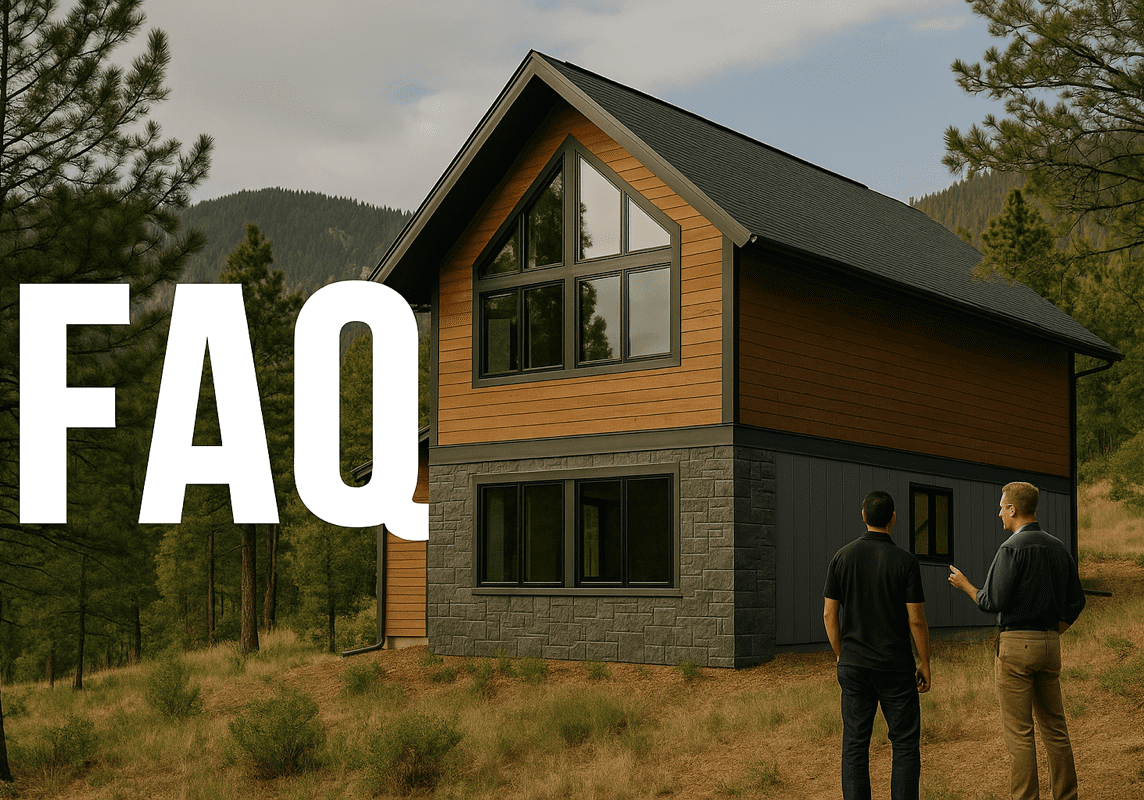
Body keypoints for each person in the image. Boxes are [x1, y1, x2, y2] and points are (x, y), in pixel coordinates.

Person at [948, 481, 1085, 800]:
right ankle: (1067, 796)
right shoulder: (1057, 546)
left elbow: (991, 601)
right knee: (1056, 729)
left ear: (1013, 509)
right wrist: (1053, 632)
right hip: (1050, 645)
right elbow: (1076, 601)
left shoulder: (1011, 549)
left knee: (1020, 734)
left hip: (1016, 648)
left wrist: (967, 586)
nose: (998, 512)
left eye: (1001, 506)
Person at [824, 490, 931, 800]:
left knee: (855, 743)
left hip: (854, 665)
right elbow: (916, 620)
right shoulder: (905, 561)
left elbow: (829, 614)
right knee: (905, 744)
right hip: (896, 667)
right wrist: (924, 662)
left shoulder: (842, 557)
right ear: (893, 518)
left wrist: (842, 655)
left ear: (863, 516)